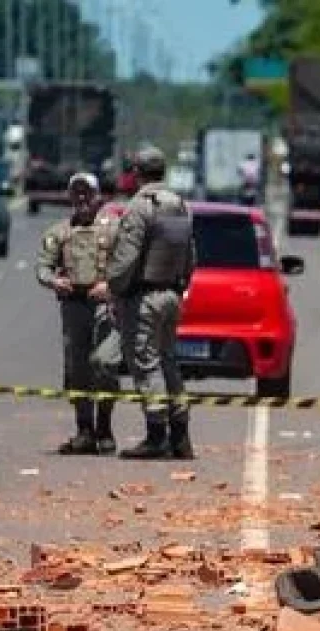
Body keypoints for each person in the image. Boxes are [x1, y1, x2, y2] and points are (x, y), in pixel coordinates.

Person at [105, 146, 198, 460]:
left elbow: (126, 258)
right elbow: (190, 254)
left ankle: (156, 436)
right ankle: (180, 435)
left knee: (146, 363)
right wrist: (181, 284)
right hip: (172, 294)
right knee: (169, 361)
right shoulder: (179, 204)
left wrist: (114, 290)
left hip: (144, 297)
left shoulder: (140, 207)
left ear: (136, 173)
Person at [35, 173, 122, 456]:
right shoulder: (59, 232)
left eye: (88, 192)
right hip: (73, 307)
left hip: (104, 308)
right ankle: (84, 429)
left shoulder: (114, 231)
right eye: (77, 192)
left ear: (99, 197)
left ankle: (105, 427)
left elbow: (129, 264)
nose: (82, 198)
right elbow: (43, 266)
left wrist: (110, 285)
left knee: (105, 364)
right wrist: (53, 281)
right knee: (77, 369)